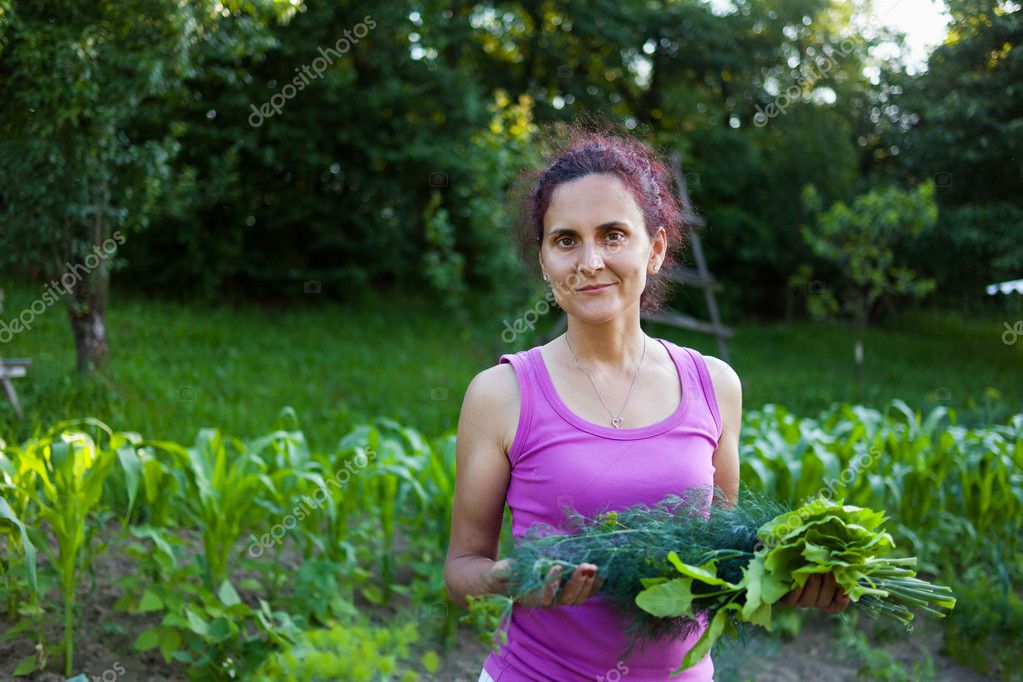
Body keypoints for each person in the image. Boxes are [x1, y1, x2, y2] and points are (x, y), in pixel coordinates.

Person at [444, 126, 850, 682]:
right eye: (565, 240)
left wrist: (794, 577)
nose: (589, 261)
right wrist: (511, 578)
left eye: (613, 235)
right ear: (543, 259)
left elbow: (726, 562)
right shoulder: (502, 394)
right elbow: (462, 569)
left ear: (655, 249)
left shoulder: (715, 385)